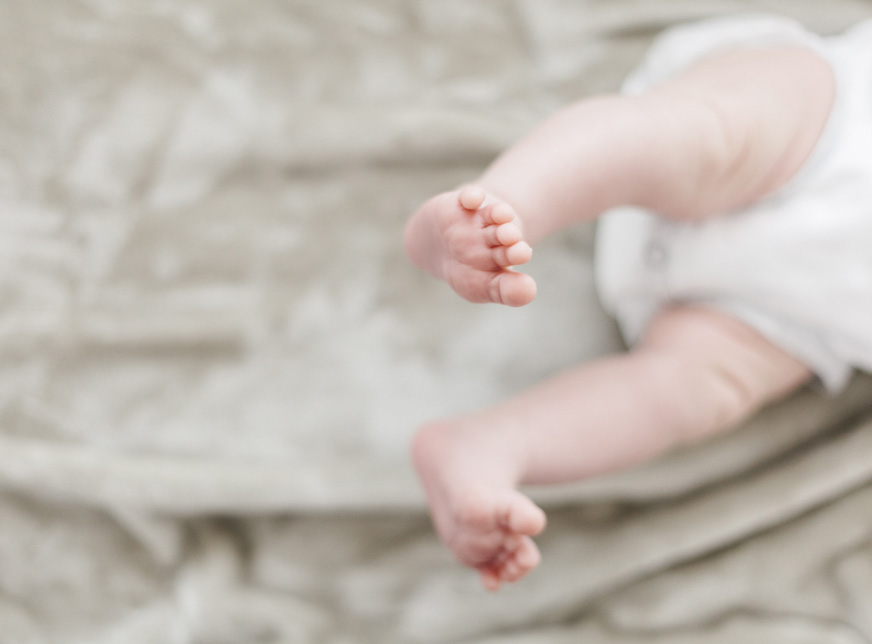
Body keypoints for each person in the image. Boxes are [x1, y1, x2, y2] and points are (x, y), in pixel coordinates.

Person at [402, 15, 872, 591]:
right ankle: (502, 205)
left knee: (699, 390)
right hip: (828, 132)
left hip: (790, 312)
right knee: (711, 138)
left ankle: (491, 445)